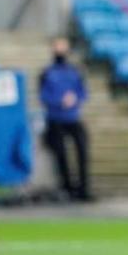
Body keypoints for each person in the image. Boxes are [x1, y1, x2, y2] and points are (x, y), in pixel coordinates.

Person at [39, 36, 91, 201]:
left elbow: (83, 92)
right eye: (58, 46)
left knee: (82, 150)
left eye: (63, 46)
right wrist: (59, 101)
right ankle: (66, 188)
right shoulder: (47, 72)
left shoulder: (75, 71)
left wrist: (74, 98)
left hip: (73, 117)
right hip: (55, 118)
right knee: (61, 154)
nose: (61, 50)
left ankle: (83, 188)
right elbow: (43, 95)